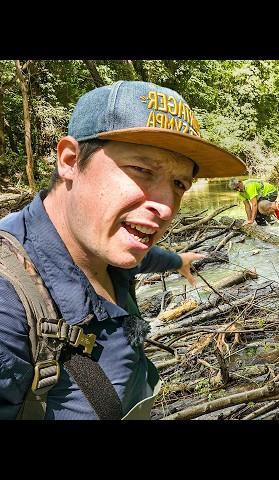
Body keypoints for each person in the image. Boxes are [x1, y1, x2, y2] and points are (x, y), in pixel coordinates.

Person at [0, 80, 246, 419]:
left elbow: (144, 259)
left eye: (179, 184)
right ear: (70, 160)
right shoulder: (8, 305)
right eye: (142, 170)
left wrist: (179, 262)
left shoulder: (106, 244)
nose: (166, 207)